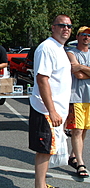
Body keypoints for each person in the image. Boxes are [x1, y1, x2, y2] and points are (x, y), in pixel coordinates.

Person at [28, 15, 72, 188]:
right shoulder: (47, 48)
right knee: (44, 150)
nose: (66, 29)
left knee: (49, 148)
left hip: (56, 109)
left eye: (69, 26)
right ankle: (40, 186)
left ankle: (43, 184)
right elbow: (42, 79)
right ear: (53, 27)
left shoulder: (60, 48)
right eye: (62, 25)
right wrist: (52, 110)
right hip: (45, 110)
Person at [66, 26, 90, 178]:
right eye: (84, 35)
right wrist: (82, 70)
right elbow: (78, 75)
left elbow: (80, 71)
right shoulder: (71, 52)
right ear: (78, 37)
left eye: (89, 35)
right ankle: (80, 164)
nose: (87, 37)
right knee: (77, 130)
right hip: (77, 97)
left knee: (84, 130)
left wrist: (81, 67)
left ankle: (73, 156)